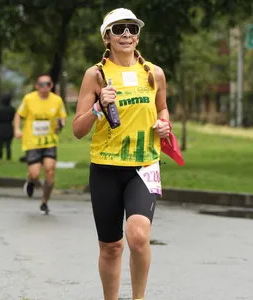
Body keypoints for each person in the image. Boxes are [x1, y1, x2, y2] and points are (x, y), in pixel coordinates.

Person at [72, 8, 171, 300]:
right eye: (118, 29)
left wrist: (164, 123)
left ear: (138, 37)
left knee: (138, 236)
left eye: (131, 28)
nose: (126, 34)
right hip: (105, 168)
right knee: (111, 246)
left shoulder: (154, 73)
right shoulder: (96, 75)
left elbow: (163, 107)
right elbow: (78, 129)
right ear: (107, 37)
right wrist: (97, 107)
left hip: (145, 164)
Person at [14, 74, 67, 214]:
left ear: (51, 86)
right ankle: (30, 180)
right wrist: (16, 129)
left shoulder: (57, 100)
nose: (45, 87)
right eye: (42, 84)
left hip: (49, 141)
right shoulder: (29, 99)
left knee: (50, 171)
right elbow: (19, 115)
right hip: (32, 142)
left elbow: (62, 117)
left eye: (48, 84)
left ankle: (44, 202)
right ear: (36, 86)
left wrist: (60, 125)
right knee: (35, 174)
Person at [0, 94, 15, 160]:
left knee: (0, 145)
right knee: (8, 144)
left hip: (0, 128)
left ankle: (0, 157)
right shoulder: (12, 109)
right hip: (9, 127)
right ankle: (8, 157)